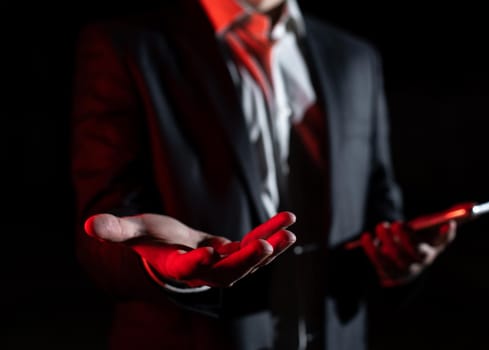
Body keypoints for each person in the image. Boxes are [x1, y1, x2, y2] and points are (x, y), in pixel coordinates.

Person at [70, 0, 456, 349]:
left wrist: (401, 258)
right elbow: (102, 233)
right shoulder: (127, 46)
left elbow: (379, 203)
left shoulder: (356, 58)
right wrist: (166, 269)